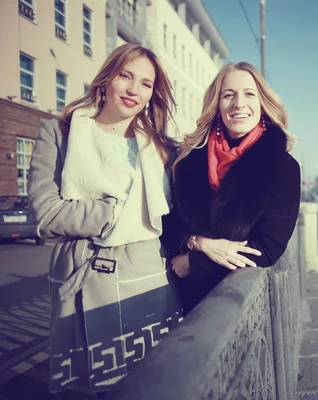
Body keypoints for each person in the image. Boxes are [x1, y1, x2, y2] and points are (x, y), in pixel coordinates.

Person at [27, 43, 181, 394]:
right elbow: (47, 212)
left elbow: (175, 216)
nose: (133, 89)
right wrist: (114, 211)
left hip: (146, 279)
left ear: (151, 94)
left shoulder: (160, 147)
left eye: (145, 83)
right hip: (80, 279)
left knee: (148, 385)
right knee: (85, 388)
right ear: (107, 77)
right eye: (125, 75)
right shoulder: (60, 133)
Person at [163, 62, 301, 313]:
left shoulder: (282, 166)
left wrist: (195, 263)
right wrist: (198, 243)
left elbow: (268, 248)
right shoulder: (189, 157)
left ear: (262, 104)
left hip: (241, 310)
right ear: (217, 105)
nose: (238, 104)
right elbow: (169, 221)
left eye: (249, 94)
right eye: (228, 95)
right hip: (183, 300)